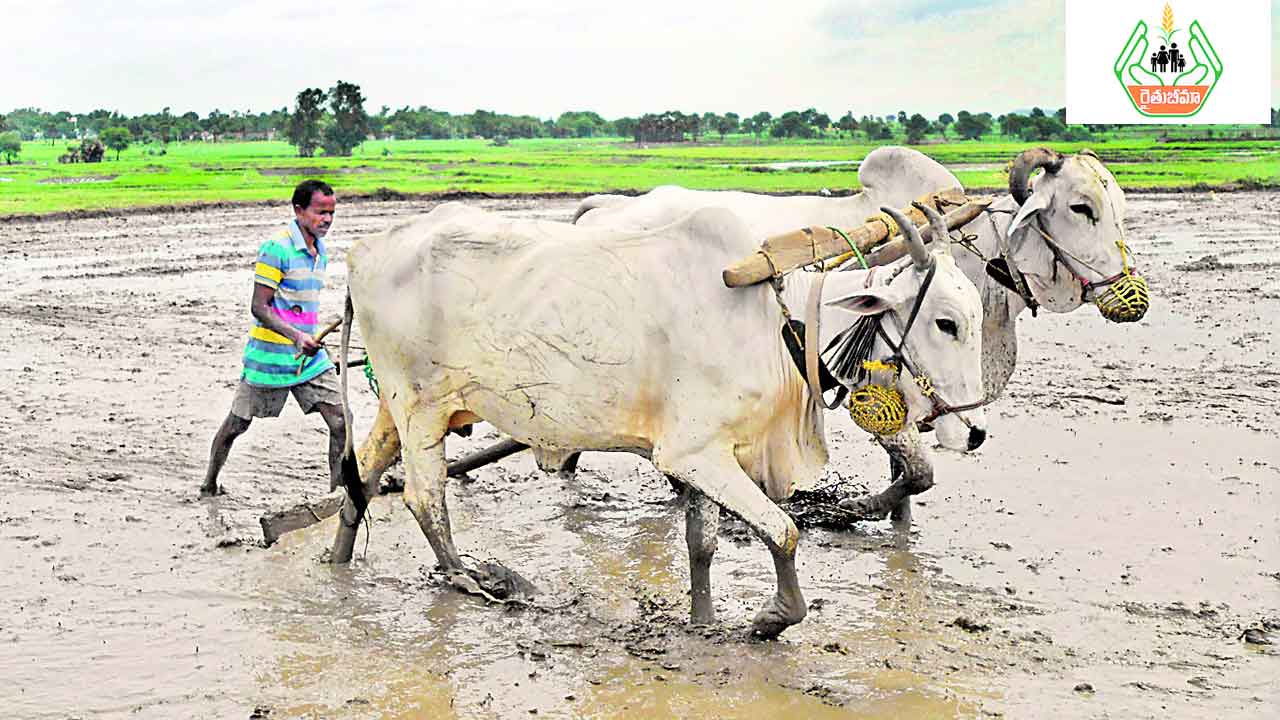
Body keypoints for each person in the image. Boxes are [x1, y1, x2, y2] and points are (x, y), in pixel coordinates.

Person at [201, 179, 347, 497]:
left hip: (308, 358)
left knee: (340, 423)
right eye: (320, 212)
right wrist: (295, 336)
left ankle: (337, 496)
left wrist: (312, 345)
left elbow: (301, 306)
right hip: (269, 357)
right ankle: (209, 483)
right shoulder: (277, 248)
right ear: (298, 210)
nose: (327, 220)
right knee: (237, 424)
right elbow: (260, 306)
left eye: (332, 213)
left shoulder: (319, 251)